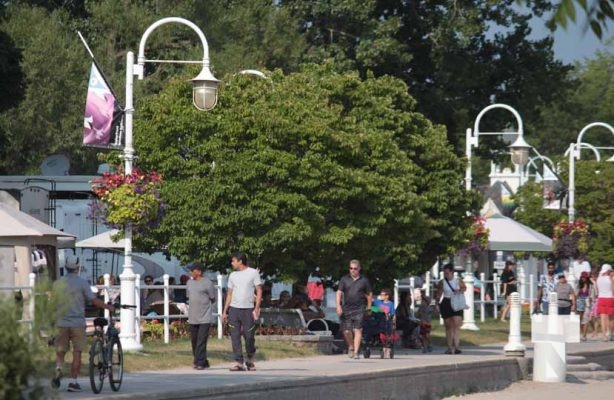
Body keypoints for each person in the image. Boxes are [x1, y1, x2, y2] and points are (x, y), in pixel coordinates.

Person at [51, 255, 114, 392]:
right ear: (78, 267)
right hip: (77, 323)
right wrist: (107, 307)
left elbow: (52, 305)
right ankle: (73, 382)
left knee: (60, 352)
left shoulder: (57, 284)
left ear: (66, 267)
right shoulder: (82, 283)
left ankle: (58, 370)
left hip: (61, 322)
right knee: (77, 352)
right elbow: (93, 300)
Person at [222, 252, 262, 371]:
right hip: (234, 309)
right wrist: (225, 311)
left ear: (240, 261)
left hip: (248, 309)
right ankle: (239, 362)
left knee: (249, 336)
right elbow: (229, 294)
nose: (232, 263)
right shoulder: (232, 275)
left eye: (233, 261)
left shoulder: (253, 273)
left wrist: (257, 307)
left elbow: (259, 291)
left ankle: (250, 358)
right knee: (235, 336)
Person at [336, 259, 373, 359]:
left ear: (359, 269)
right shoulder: (344, 279)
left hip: (359, 308)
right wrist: (338, 306)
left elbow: (369, 294)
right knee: (347, 331)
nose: (353, 270)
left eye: (355, 268)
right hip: (347, 308)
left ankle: (356, 352)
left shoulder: (364, 280)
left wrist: (369, 307)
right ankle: (351, 346)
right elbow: (339, 293)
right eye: (351, 268)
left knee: (358, 329)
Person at [186, 262, 216, 370]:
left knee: (201, 341)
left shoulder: (207, 283)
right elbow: (189, 296)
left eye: (192, 270)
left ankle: (199, 362)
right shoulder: (189, 283)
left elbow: (213, 298)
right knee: (194, 340)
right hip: (193, 316)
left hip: (204, 317)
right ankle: (204, 361)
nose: (190, 272)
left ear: (199, 271)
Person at [437, 262, 465, 354]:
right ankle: (449, 347)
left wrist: (459, 290)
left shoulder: (458, 280)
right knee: (448, 326)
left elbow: (464, 288)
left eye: (447, 273)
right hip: (446, 302)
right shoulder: (442, 282)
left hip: (456, 302)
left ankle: (457, 347)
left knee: (456, 324)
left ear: (452, 272)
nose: (446, 275)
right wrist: (437, 303)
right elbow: (439, 293)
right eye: (445, 273)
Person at [596, 264, 614, 341]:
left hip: (601, 298)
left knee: (603, 318)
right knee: (611, 318)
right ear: (609, 271)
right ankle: (611, 334)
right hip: (610, 298)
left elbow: (597, 289)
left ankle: (604, 336)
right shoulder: (611, 279)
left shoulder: (598, 278)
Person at [577, 271, 593, 341]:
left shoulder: (590, 285)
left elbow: (592, 294)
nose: (584, 278)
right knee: (580, 319)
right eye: (582, 277)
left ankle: (584, 335)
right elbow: (576, 293)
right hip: (580, 300)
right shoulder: (578, 284)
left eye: (585, 277)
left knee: (586, 318)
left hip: (587, 301)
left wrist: (591, 300)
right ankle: (582, 332)